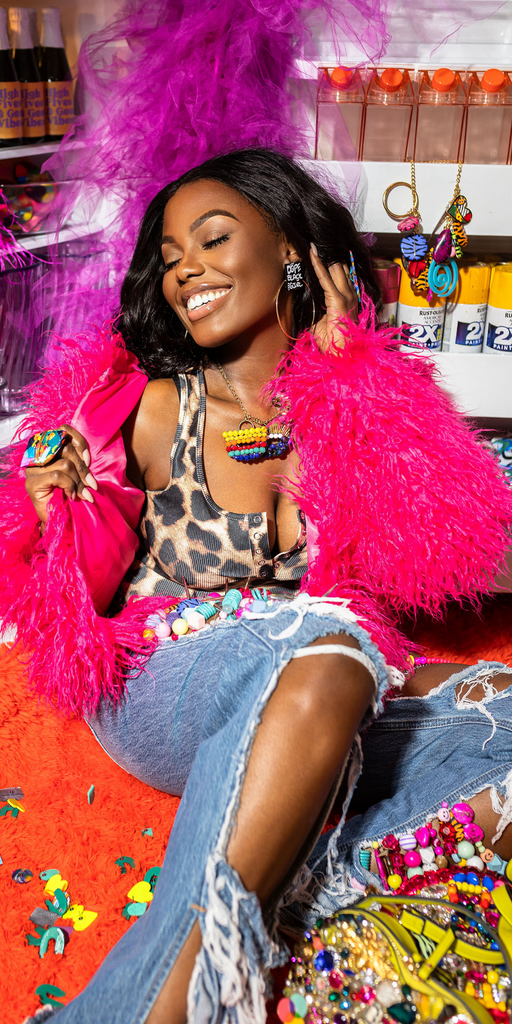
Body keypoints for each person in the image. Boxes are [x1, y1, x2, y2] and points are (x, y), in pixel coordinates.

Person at [9, 148, 512, 1024]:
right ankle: (152, 1005)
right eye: (170, 259)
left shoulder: (346, 403)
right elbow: (66, 593)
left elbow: (463, 557)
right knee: (326, 641)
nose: (187, 271)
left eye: (211, 239)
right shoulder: (151, 405)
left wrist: (359, 380)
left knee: (491, 703)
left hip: (321, 687)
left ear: (291, 252)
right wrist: (56, 522)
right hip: (166, 681)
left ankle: (307, 883)